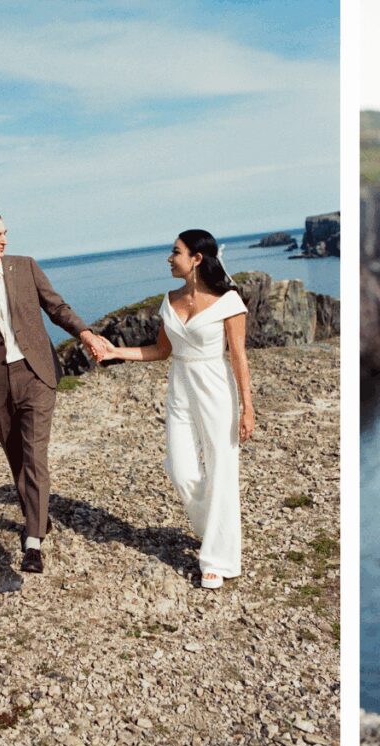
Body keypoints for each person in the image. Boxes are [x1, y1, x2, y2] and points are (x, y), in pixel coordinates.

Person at [0, 210, 107, 574]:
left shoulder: (26, 266)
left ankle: (32, 542)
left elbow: (56, 307)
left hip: (37, 374)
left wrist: (85, 334)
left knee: (35, 456)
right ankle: (39, 516)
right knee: (16, 457)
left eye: (5, 233)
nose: (4, 240)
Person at [98, 229, 254, 589]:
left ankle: (217, 558)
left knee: (222, 471)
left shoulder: (230, 301)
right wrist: (116, 352)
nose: (169, 259)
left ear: (196, 259)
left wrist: (248, 407)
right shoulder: (169, 301)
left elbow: (240, 357)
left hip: (216, 389)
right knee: (181, 469)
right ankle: (210, 526)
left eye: (176, 253)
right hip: (180, 388)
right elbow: (160, 350)